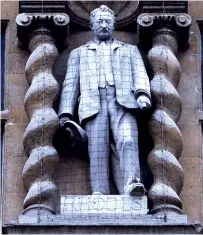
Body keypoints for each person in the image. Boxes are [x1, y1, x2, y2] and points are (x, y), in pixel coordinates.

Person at [59, 5, 151, 196]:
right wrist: (65, 114)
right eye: (99, 21)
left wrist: (143, 94)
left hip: (123, 103)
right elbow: (70, 85)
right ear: (91, 25)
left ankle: (133, 183)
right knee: (97, 150)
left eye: (107, 21)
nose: (103, 25)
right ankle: (99, 192)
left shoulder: (130, 50)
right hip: (93, 104)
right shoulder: (79, 53)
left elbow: (140, 73)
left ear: (114, 24)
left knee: (128, 139)